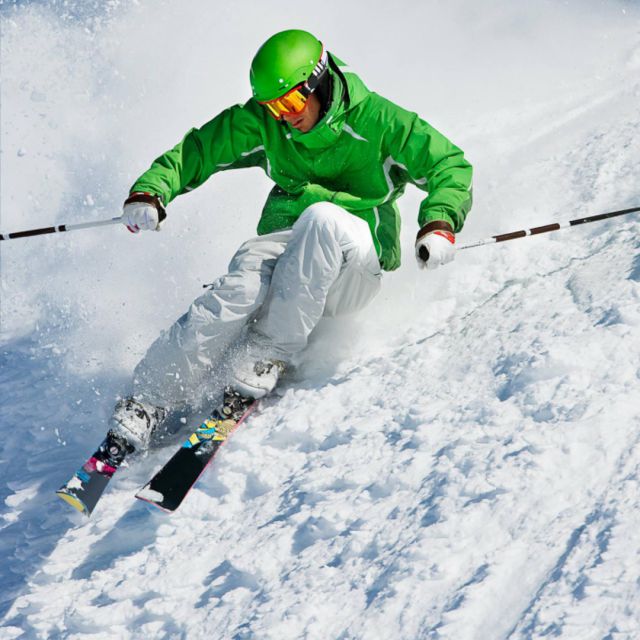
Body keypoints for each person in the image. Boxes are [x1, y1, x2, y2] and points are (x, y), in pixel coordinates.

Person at [111, 29, 473, 451]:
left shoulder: (379, 121)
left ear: (317, 82)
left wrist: (439, 222)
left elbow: (449, 165)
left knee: (323, 219)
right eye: (273, 107)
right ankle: (148, 400)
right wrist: (151, 191)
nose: (284, 116)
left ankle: (267, 352)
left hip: (353, 266)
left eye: (290, 103)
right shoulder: (269, 124)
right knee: (236, 289)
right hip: (289, 244)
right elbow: (199, 150)